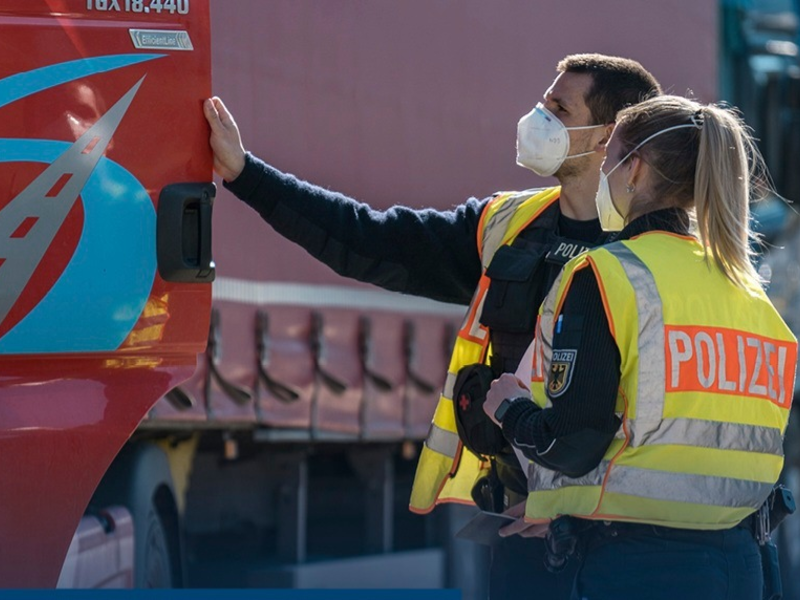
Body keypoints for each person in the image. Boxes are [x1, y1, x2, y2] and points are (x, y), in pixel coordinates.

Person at [204, 53, 661, 599]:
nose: (537, 118)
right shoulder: (506, 225)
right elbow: (367, 240)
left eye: (559, 108)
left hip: (617, 544)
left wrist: (580, 509)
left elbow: (670, 412)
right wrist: (246, 175)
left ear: (606, 136)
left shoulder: (654, 254)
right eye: (543, 102)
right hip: (521, 535)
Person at [483, 94, 797, 600]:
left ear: (635, 170)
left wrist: (509, 409)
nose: (603, 178)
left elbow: (573, 441)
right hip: (743, 565)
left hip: (638, 569)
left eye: (610, 163)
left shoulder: (608, 275)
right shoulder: (751, 296)